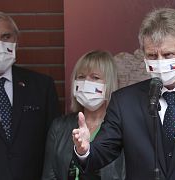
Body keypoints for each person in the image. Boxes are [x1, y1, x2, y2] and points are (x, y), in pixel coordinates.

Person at [72, 8, 175, 179]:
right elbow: (101, 154)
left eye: (168, 55)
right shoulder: (124, 102)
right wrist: (84, 150)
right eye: (152, 55)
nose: (160, 62)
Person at [42, 50, 125, 180]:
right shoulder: (59, 126)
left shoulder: (123, 128)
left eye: (95, 77)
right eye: (81, 77)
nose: (86, 83)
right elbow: (49, 175)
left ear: (110, 83)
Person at [0, 11, 60, 179]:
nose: (0, 44)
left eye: (6, 37)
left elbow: (55, 146)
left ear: (17, 41)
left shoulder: (42, 86)